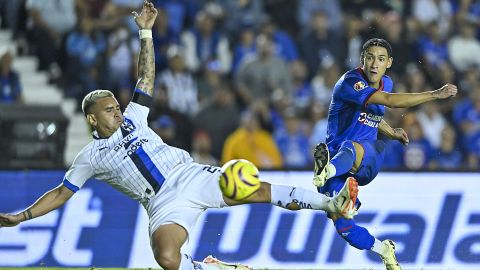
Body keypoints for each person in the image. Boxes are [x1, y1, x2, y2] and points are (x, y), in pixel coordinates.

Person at [0, 2, 360, 270]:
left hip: (187, 175)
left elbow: (145, 80)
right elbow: (62, 193)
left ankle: (330, 203)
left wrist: (145, 33)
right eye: (109, 109)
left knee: (258, 191)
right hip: (161, 203)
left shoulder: (135, 117)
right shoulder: (89, 158)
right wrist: (22, 216)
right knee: (168, 259)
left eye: (116, 105)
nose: (118, 110)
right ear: (92, 120)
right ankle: (210, 267)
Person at [312, 38, 457, 270]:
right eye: (370, 57)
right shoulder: (350, 82)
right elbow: (374, 110)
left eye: (380, 59)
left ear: (388, 62)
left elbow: (384, 104)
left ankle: (324, 170)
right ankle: (384, 251)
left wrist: (433, 96)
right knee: (343, 226)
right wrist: (393, 130)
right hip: (338, 158)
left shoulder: (386, 84)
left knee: (352, 145)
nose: (374, 64)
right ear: (362, 59)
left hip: (367, 157)